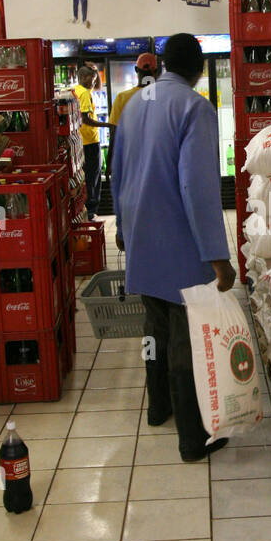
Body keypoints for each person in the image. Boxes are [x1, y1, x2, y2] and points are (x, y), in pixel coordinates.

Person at [111, 32, 236, 463]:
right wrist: (218, 258)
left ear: (162, 65)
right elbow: (198, 189)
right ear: (200, 68)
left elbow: (117, 171)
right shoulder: (195, 108)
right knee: (186, 338)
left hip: (141, 238)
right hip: (180, 245)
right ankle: (193, 438)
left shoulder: (133, 107)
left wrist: (124, 228)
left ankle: (158, 407)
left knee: (154, 327)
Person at [106, 51, 159, 177]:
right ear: (156, 72)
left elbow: (114, 133)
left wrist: (110, 163)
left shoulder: (122, 98)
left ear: (136, 70)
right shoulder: (165, 97)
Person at [73, 64, 104, 221]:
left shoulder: (77, 90)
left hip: (81, 141)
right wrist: (108, 125)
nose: (93, 82)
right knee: (94, 175)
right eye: (92, 79)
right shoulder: (84, 93)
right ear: (84, 78)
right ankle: (91, 211)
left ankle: (86, 210)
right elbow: (86, 118)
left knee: (87, 176)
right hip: (90, 140)